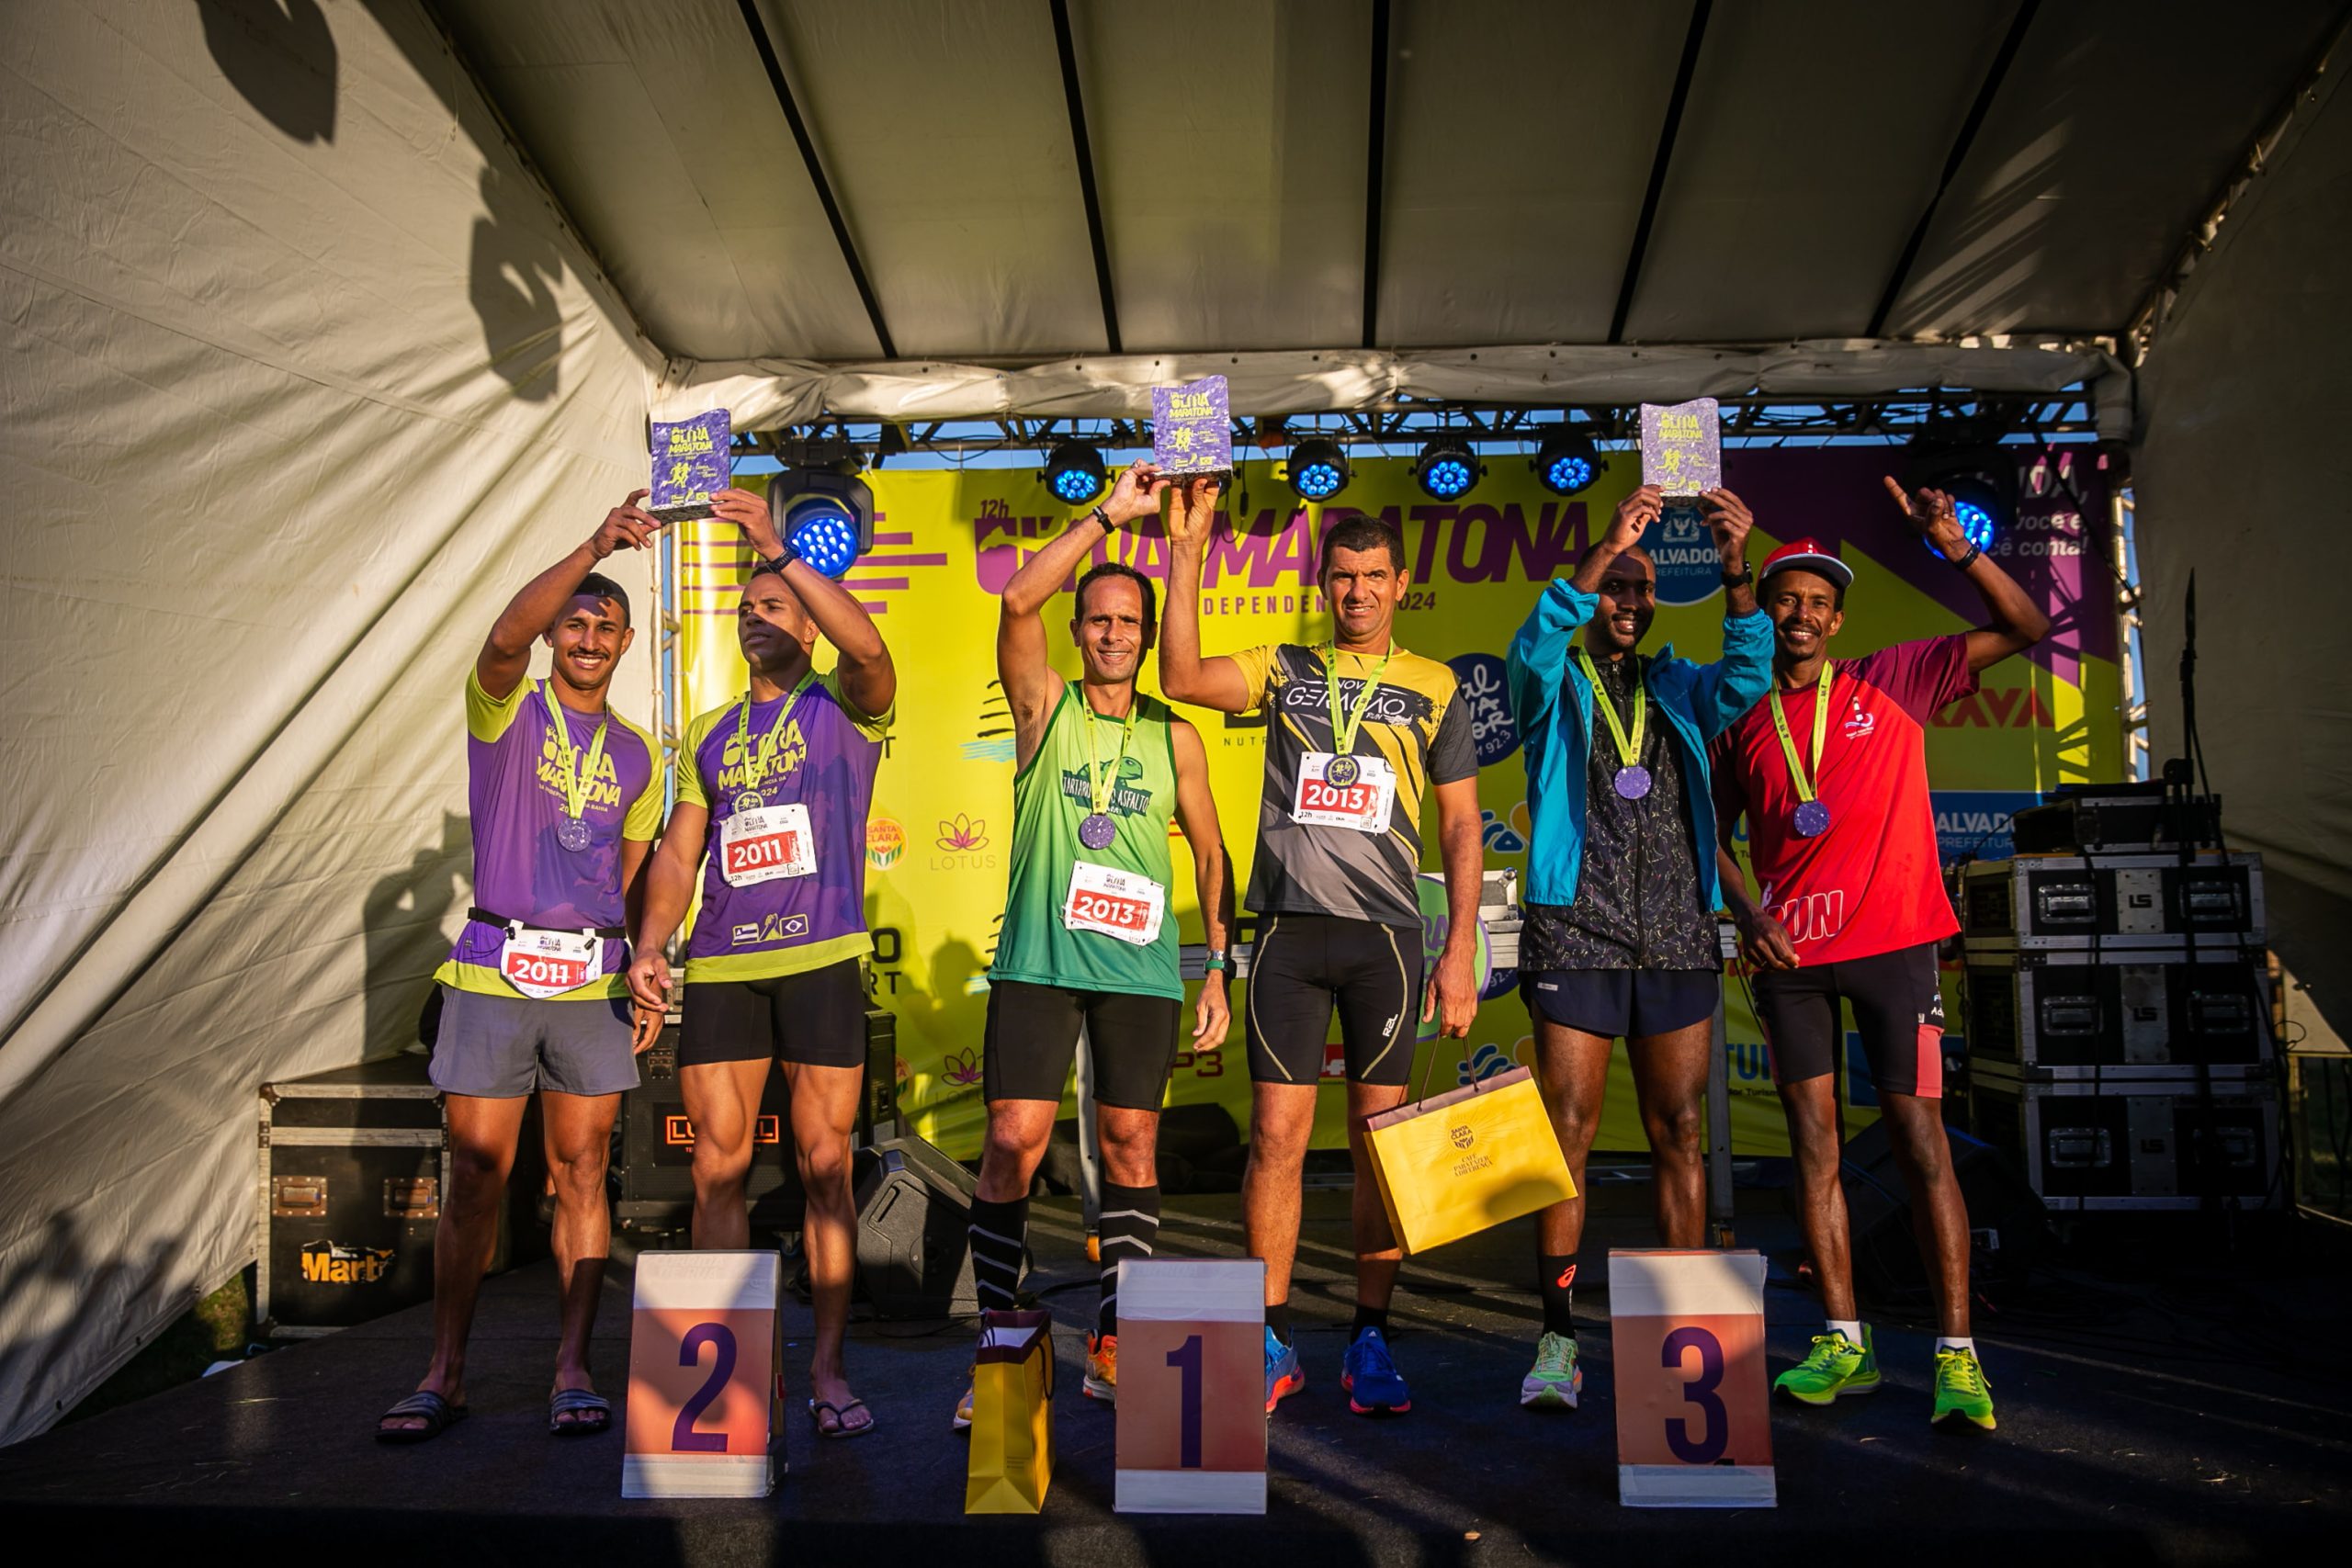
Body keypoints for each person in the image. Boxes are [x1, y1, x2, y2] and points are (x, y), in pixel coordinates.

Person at [1712, 478, 2050, 1432]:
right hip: (1791, 959)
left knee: (1921, 1142)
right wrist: (1747, 913)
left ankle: (1957, 1354)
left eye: (1818, 601)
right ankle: (1842, 1341)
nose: (1801, 613)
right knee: (1814, 1147)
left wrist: (1958, 549)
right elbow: (1709, 834)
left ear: (1837, 619)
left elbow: (2025, 626)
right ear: (1767, 611)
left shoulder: (1895, 677)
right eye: (1786, 598)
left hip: (1896, 946)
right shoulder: (1741, 716)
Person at [1159, 478, 1483, 1420]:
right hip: (1289, 935)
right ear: (1322, 582)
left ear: (1401, 584)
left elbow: (1462, 827)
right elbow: (1182, 678)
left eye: (1374, 576)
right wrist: (1187, 552)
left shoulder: (1435, 685)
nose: (1357, 592)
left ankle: (1370, 1338)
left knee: (1380, 1150)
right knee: (1276, 1140)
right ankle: (1270, 1339)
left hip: (1386, 938)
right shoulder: (1283, 665)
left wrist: (1458, 947)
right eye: (1342, 576)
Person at [378, 494, 668, 1443]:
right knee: (474, 1174)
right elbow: (502, 637)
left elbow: (632, 884)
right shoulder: (504, 707)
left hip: (589, 984)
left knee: (582, 1173)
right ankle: (445, 1372)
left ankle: (572, 1366)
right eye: (574, 624)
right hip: (493, 972)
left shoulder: (640, 757)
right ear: (553, 637)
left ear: (627, 645)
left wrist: (645, 964)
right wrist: (593, 545)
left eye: (605, 628)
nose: (588, 638)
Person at [956, 462, 1234, 1427]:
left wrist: (1218, 967)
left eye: (1129, 622)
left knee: (1130, 1145)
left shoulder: (1176, 736)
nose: (1114, 634)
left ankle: (1116, 1341)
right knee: (1012, 1143)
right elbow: (1015, 597)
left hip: (1140, 975)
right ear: (1077, 632)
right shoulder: (1043, 708)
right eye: (1099, 620)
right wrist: (1108, 515)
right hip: (1039, 964)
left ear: (1148, 637)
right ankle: (999, 1345)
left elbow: (1212, 853)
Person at [627, 485, 895, 1439]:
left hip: (821, 957)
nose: (755, 616)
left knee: (825, 1166)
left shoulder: (845, 707)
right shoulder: (709, 733)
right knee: (717, 1169)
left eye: (774, 605)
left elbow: (871, 652)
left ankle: (826, 1368)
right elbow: (677, 854)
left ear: (810, 623)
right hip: (725, 965)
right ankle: (727, 1382)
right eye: (745, 607)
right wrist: (650, 943)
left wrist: (776, 547)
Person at [1504, 482, 1770, 1411]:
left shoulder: (1679, 686)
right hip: (1576, 932)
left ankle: (1684, 1335)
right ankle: (1556, 1339)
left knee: (1681, 1133)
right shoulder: (1553, 683)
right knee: (1566, 1137)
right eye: (1614, 585)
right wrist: (1609, 542)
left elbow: (1748, 674)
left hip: (1677, 935)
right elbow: (1534, 642)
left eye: (1641, 587)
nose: (1627, 600)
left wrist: (1734, 569)